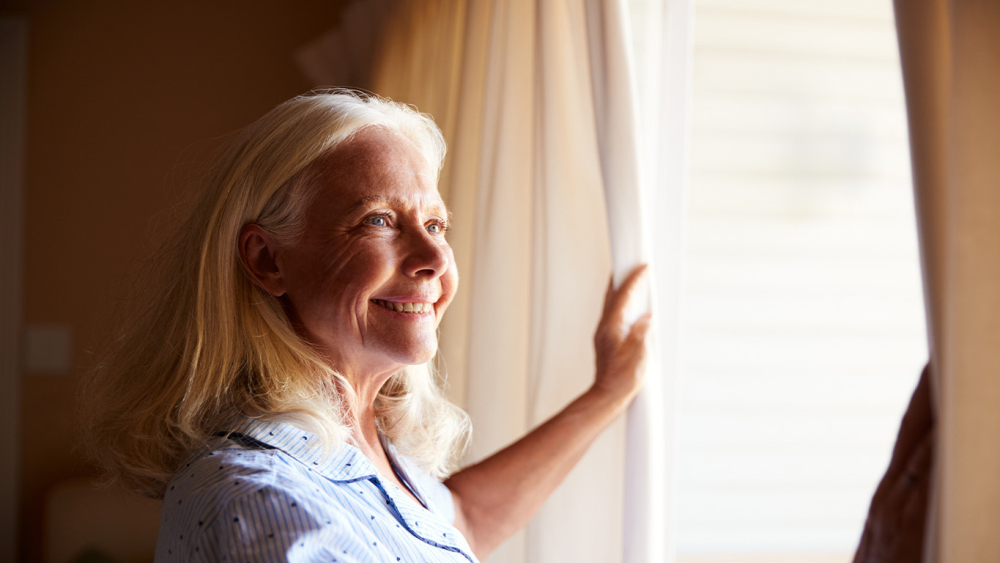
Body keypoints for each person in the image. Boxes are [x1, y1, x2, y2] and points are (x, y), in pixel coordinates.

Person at [83, 91, 652, 562]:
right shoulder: (259, 501)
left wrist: (608, 392)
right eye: (378, 220)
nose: (434, 256)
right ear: (267, 261)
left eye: (436, 222)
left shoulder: (351, 448)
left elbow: (462, 521)